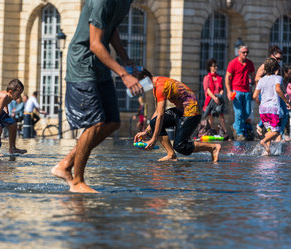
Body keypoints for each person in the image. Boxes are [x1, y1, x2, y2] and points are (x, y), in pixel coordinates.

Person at [51, 0, 142, 193]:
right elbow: (95, 44)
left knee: (112, 121)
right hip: (83, 65)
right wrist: (124, 75)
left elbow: (112, 30)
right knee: (95, 123)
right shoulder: (103, 1)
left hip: (100, 66)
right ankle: (77, 182)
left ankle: (65, 165)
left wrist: (125, 60)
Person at [133, 69, 221, 162]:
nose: (138, 89)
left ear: (145, 79)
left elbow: (161, 115)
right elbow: (157, 112)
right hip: (181, 111)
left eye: (138, 85)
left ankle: (213, 147)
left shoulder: (160, 86)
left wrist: (153, 139)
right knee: (154, 122)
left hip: (192, 112)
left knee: (180, 146)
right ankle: (171, 155)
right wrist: (146, 132)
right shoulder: (157, 85)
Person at [253, 58, 290, 155]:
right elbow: (278, 89)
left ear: (265, 69)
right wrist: (286, 102)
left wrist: (260, 104)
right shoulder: (278, 78)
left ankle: (267, 150)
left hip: (263, 110)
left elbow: (254, 96)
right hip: (273, 109)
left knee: (269, 130)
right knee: (277, 132)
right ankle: (263, 142)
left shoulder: (261, 80)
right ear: (276, 69)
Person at [225, 44, 255, 140]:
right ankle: (239, 133)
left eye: (247, 52)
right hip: (236, 91)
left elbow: (253, 76)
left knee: (247, 112)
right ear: (239, 53)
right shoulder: (233, 63)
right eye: (243, 52)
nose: (245, 54)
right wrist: (229, 91)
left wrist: (254, 84)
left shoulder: (250, 63)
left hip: (246, 91)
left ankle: (235, 125)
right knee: (238, 113)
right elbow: (227, 78)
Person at [254, 46, 283, 137]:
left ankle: (273, 135)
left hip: (275, 95)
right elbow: (256, 78)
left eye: (280, 59)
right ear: (272, 56)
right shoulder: (264, 66)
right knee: (274, 113)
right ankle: (261, 126)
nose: (279, 61)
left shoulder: (278, 67)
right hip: (264, 94)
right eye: (277, 58)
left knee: (279, 114)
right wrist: (269, 79)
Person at [202, 58, 228, 138]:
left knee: (221, 117)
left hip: (218, 100)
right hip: (210, 101)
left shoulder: (219, 78)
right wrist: (214, 98)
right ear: (210, 67)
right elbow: (207, 90)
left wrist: (219, 97)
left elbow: (222, 89)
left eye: (216, 66)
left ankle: (226, 133)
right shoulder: (206, 78)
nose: (216, 67)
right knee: (211, 117)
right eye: (214, 66)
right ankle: (211, 132)